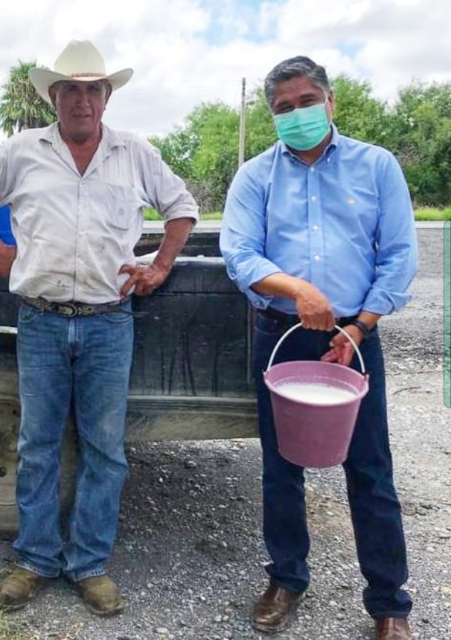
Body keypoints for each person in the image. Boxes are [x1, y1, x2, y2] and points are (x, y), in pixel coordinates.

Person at [0, 39, 198, 616]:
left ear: (107, 97)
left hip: (108, 322)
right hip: (40, 320)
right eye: (71, 89)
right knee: (37, 444)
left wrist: (160, 265)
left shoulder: (135, 152)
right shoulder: (21, 151)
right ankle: (36, 559)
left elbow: (181, 206)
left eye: (94, 89)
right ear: (54, 96)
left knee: (104, 449)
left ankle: (89, 565)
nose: (82, 100)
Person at [220, 56, 417, 640]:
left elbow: (399, 256)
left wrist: (358, 327)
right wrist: (298, 288)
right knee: (281, 467)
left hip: (353, 337)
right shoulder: (256, 176)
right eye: (283, 108)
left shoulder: (376, 166)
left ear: (330, 102)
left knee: (370, 467)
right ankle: (285, 579)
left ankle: (389, 604)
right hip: (279, 334)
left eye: (307, 101)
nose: (297, 114)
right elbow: (240, 254)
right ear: (271, 116)